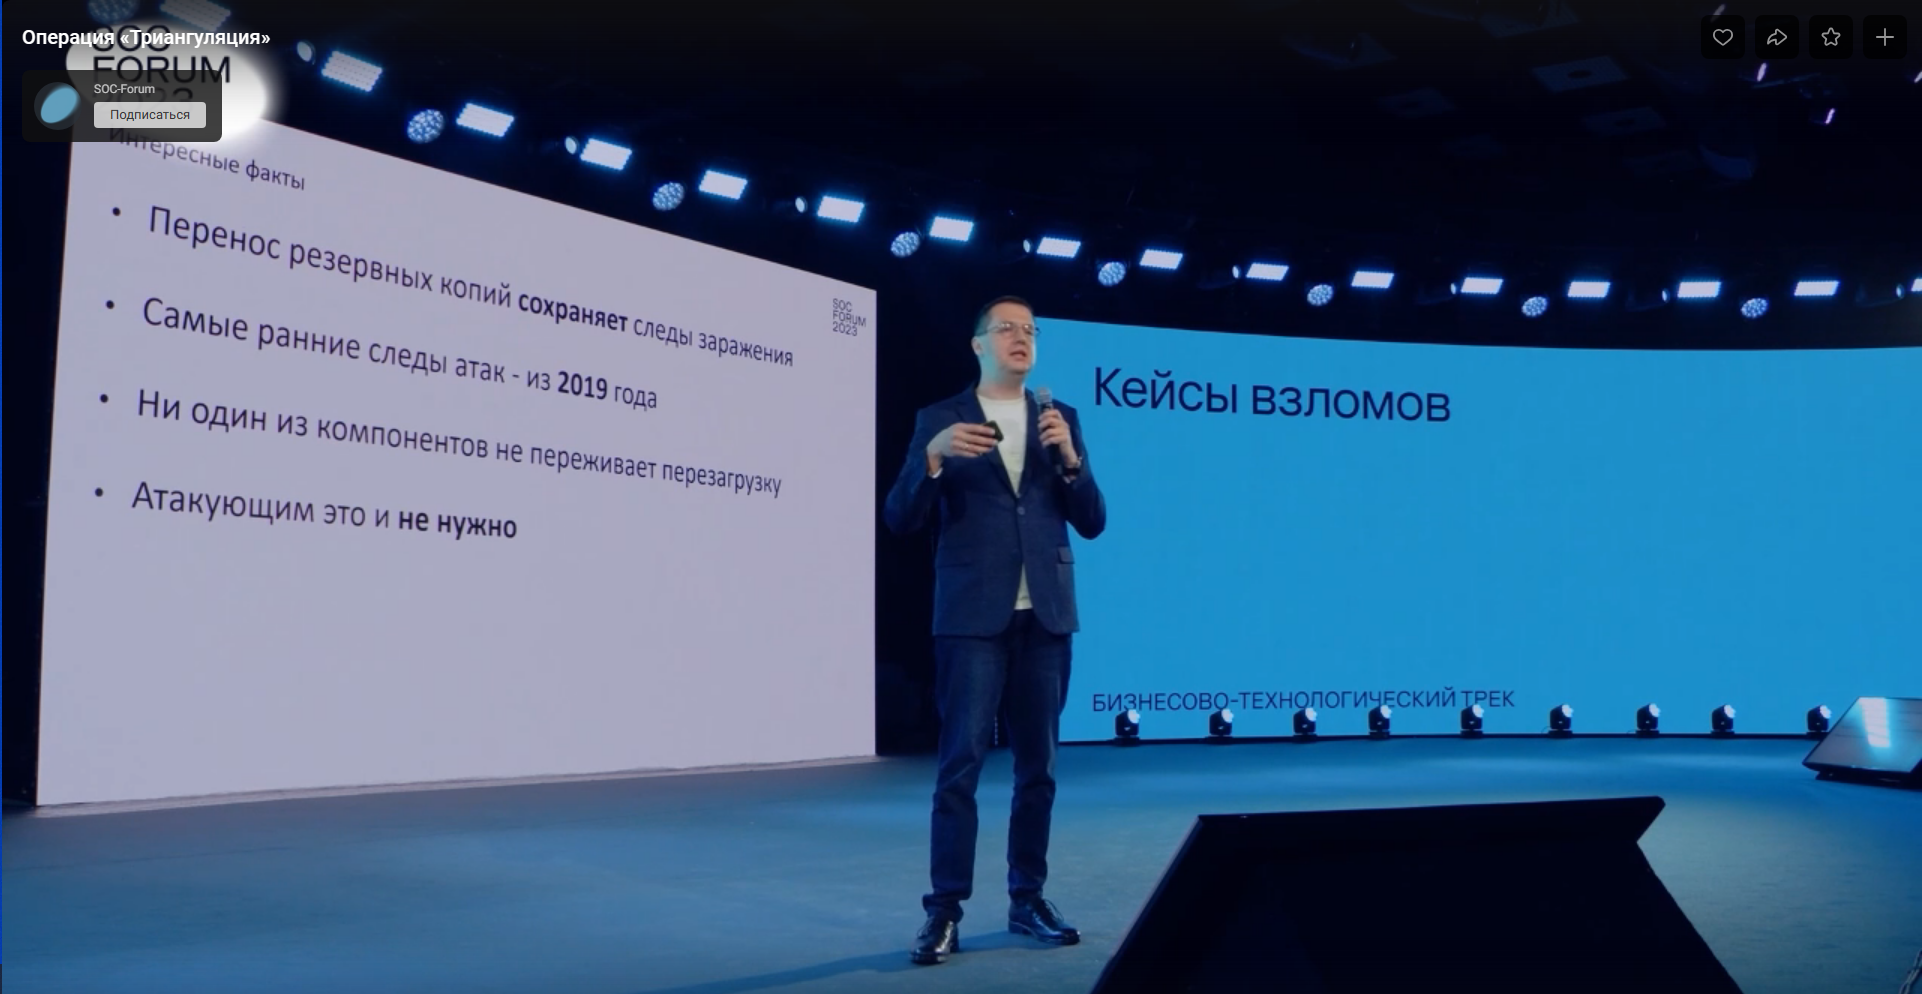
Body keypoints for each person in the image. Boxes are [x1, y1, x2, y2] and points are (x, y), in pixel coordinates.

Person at [883, 295, 1108, 966]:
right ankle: (944, 911)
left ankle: (1027, 898)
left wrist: (1071, 460)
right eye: (1006, 328)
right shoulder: (941, 419)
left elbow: (1093, 521)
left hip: (1047, 616)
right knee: (960, 767)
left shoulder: (1059, 418)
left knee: (1039, 769)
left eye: (1030, 329)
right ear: (978, 344)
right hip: (971, 617)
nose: (1021, 337)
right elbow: (900, 517)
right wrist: (933, 458)